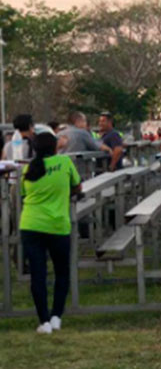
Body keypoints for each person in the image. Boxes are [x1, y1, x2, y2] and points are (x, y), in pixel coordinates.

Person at [19, 132, 81, 334]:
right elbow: (77, 187)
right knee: (62, 272)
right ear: (56, 147)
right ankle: (56, 316)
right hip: (57, 225)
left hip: (30, 225)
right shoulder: (65, 162)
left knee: (38, 274)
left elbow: (23, 194)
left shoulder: (28, 169)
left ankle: (43, 320)